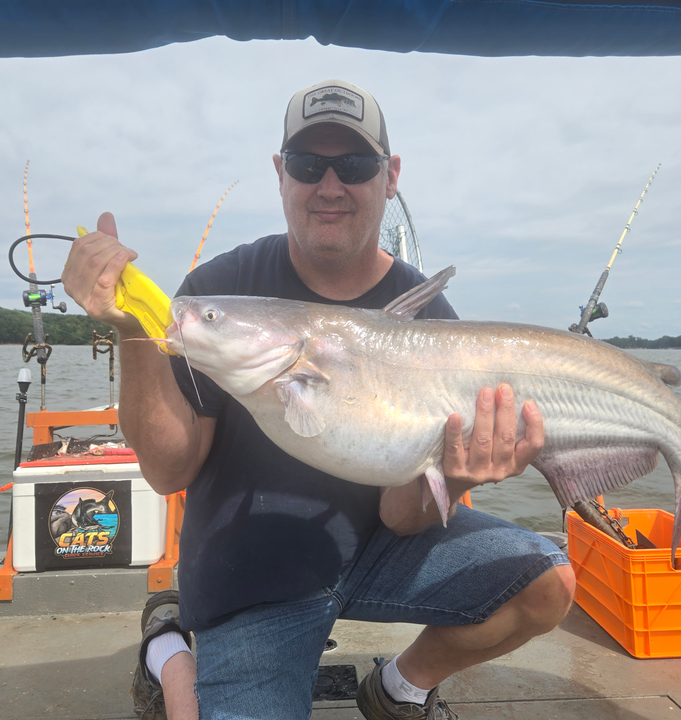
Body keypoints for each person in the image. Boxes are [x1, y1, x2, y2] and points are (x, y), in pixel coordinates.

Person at [62, 79, 575, 720]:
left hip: (380, 549)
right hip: (250, 569)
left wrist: (448, 467)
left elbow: (403, 517)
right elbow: (169, 471)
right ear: (281, 175)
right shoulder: (224, 289)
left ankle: (398, 690)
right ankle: (169, 651)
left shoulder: (427, 314)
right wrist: (132, 329)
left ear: (389, 177)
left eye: (354, 165)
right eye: (308, 165)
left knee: (546, 583)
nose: (330, 186)